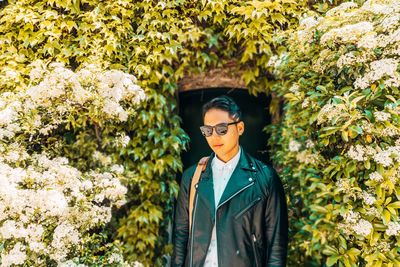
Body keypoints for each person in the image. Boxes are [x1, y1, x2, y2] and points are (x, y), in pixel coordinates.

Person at [172, 95, 288, 267]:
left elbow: (276, 246)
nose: (214, 137)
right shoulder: (192, 176)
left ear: (240, 127)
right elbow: (181, 236)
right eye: (207, 130)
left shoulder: (266, 178)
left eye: (221, 129)